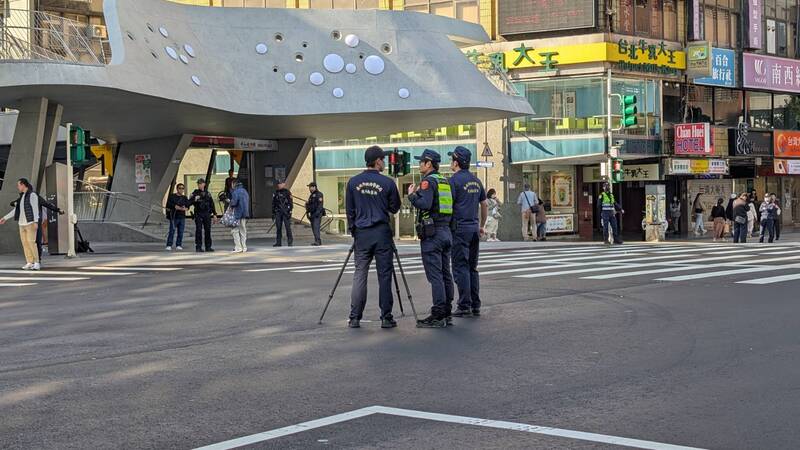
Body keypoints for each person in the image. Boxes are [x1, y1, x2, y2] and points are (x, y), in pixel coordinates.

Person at [345, 146, 401, 329]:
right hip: (381, 232)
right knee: (384, 275)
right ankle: (386, 316)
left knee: (359, 273)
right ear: (377, 161)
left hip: (362, 234)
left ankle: (355, 317)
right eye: (383, 160)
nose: (384, 162)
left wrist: (355, 231)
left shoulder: (353, 182)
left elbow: (350, 211)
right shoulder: (388, 183)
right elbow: (394, 208)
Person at [408, 149, 454, 328]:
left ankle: (437, 314)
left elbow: (425, 203)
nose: (419, 165)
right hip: (446, 231)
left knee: (435, 276)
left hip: (432, 234)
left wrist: (412, 195)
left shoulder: (428, 182)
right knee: (445, 274)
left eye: (421, 162)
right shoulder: (444, 180)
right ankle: (447, 311)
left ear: (429, 164)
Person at [447, 146, 487, 318]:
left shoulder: (453, 181)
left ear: (456, 162)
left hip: (459, 229)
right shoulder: (476, 181)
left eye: (451, 160)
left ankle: (464, 305)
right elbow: (484, 204)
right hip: (473, 228)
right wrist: (481, 224)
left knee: (460, 266)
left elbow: (448, 206)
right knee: (472, 267)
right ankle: (475, 303)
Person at [0, 178, 41, 270]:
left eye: (18, 185)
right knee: (25, 243)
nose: (17, 187)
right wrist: (5, 218)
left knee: (31, 243)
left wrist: (35, 222)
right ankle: (29, 262)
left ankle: (37, 262)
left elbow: (35, 209)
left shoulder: (32, 195)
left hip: (30, 223)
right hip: (21, 224)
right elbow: (16, 210)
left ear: (23, 185)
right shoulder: (22, 197)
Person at [190, 178, 217, 252]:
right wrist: (194, 199)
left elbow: (212, 204)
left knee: (207, 230)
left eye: (201, 183)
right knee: (199, 230)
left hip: (207, 214)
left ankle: (208, 247)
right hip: (198, 213)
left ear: (204, 184)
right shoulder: (195, 193)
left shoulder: (208, 193)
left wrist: (214, 214)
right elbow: (189, 202)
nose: (200, 185)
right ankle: (198, 247)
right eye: (198, 183)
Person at [165, 183, 190, 251]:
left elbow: (188, 206)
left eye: (182, 188)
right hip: (174, 217)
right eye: (180, 188)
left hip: (182, 217)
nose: (181, 190)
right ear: (177, 189)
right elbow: (168, 205)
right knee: (172, 231)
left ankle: (178, 244)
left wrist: (185, 208)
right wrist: (175, 207)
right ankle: (169, 245)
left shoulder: (184, 197)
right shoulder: (172, 196)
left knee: (181, 232)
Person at [229, 178, 250, 253]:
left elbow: (234, 203)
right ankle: (244, 247)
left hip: (237, 214)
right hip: (245, 214)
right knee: (243, 230)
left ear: (234, 184)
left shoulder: (236, 192)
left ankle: (238, 247)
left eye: (232, 184)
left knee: (235, 230)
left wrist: (230, 202)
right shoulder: (245, 191)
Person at [272, 179, 293, 247]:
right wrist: (273, 213)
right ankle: (278, 242)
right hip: (278, 212)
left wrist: (290, 211)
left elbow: (290, 202)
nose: (280, 185)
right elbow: (273, 203)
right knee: (278, 227)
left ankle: (290, 241)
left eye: (281, 183)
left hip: (285, 212)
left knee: (287, 227)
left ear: (284, 184)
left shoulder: (287, 192)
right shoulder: (276, 192)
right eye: (279, 184)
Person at [305, 182, 325, 246]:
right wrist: (307, 211)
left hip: (317, 214)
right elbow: (310, 205)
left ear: (314, 187)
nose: (309, 189)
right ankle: (316, 240)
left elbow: (320, 205)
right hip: (312, 213)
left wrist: (316, 214)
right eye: (309, 187)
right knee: (314, 228)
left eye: (310, 187)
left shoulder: (319, 194)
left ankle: (318, 241)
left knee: (316, 227)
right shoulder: (311, 195)